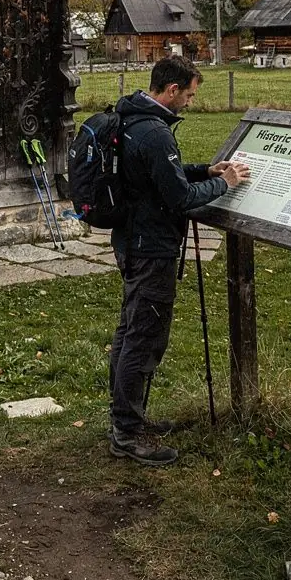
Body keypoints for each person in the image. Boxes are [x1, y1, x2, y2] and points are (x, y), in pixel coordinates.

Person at [108, 56, 249, 466]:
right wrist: (223, 183)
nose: (189, 101)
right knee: (145, 337)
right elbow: (180, 197)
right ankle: (127, 434)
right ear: (171, 91)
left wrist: (205, 168)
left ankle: (126, 419)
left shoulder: (129, 116)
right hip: (151, 247)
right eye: (188, 94)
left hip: (131, 240)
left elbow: (159, 177)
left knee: (131, 329)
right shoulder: (155, 133)